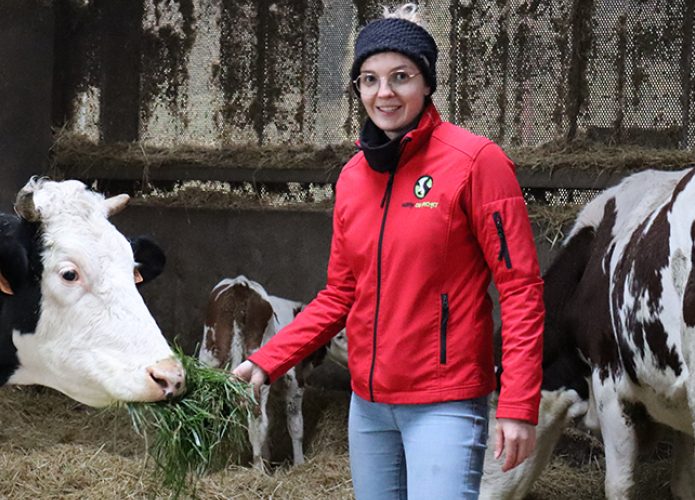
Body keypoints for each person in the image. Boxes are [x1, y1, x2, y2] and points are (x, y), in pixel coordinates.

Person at [232, 4, 544, 499]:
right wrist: (268, 360)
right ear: (357, 88)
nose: (385, 93)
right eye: (370, 79)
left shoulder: (477, 162)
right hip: (369, 405)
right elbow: (339, 295)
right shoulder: (354, 177)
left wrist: (519, 404)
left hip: (445, 401)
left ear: (426, 83)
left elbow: (521, 289)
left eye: (401, 77)